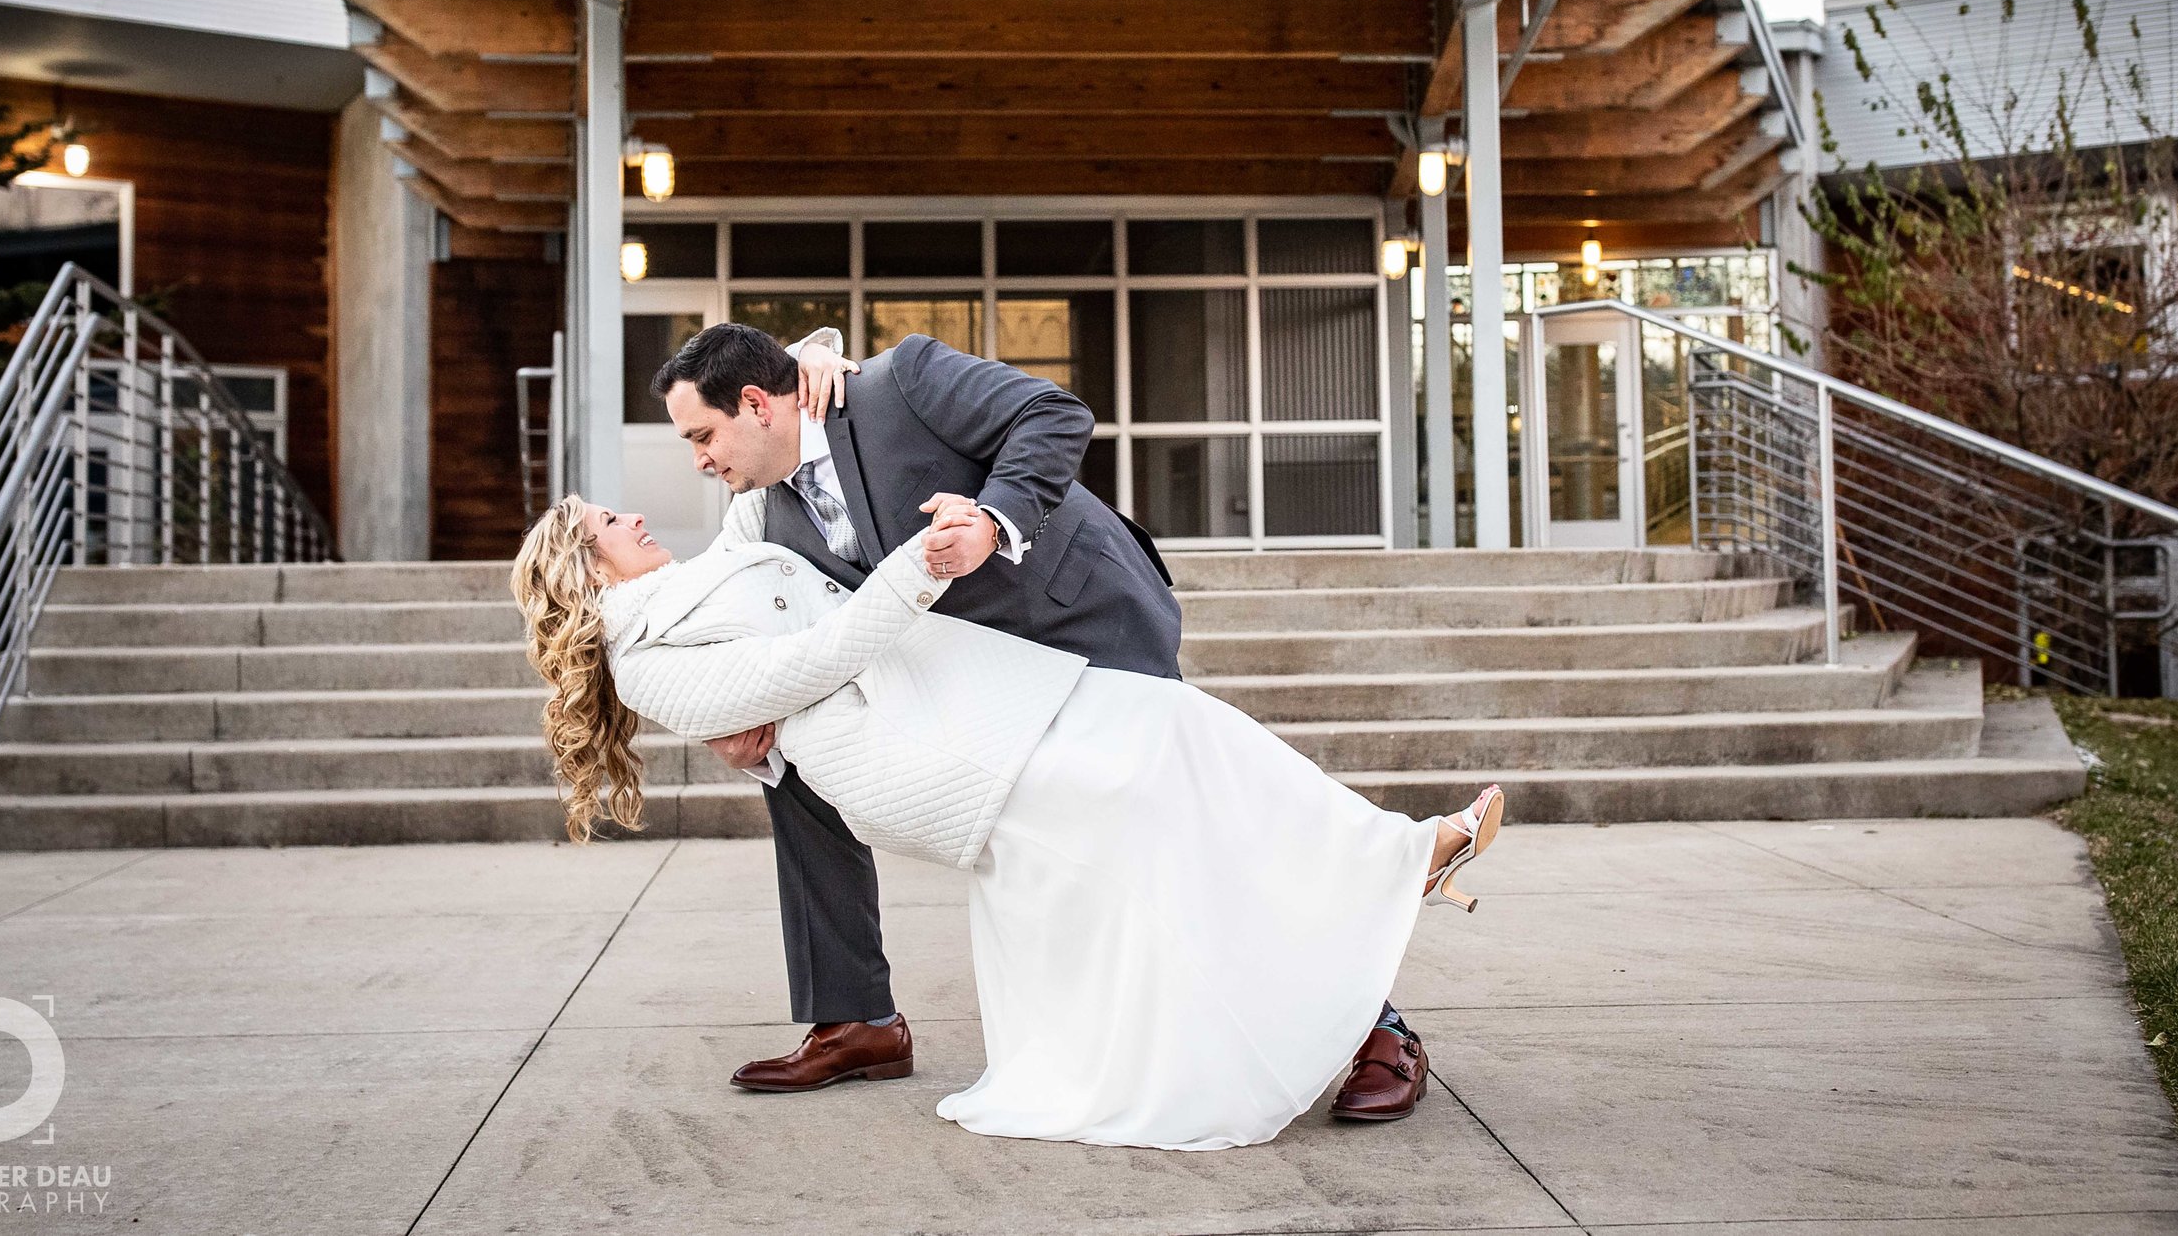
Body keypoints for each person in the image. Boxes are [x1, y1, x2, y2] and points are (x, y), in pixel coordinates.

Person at [509, 493, 1504, 1151]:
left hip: (962, 687)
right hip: (912, 753)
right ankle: (1382, 887)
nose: (633, 510)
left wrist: (812, 358)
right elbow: (800, 666)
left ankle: (1390, 858)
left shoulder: (712, 564)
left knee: (1177, 723)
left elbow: (764, 465)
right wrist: (919, 566)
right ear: (582, 565)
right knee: (1142, 817)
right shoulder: (644, 656)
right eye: (605, 516)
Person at [657, 323, 1439, 1120]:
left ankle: (1373, 1021)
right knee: (801, 761)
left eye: (702, 435)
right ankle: (857, 1015)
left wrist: (995, 519)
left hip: (1084, 622)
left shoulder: (902, 382)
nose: (699, 460)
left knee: (1187, 823)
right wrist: (743, 721)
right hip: (974, 684)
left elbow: (1054, 413)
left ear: (757, 403)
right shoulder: (766, 519)